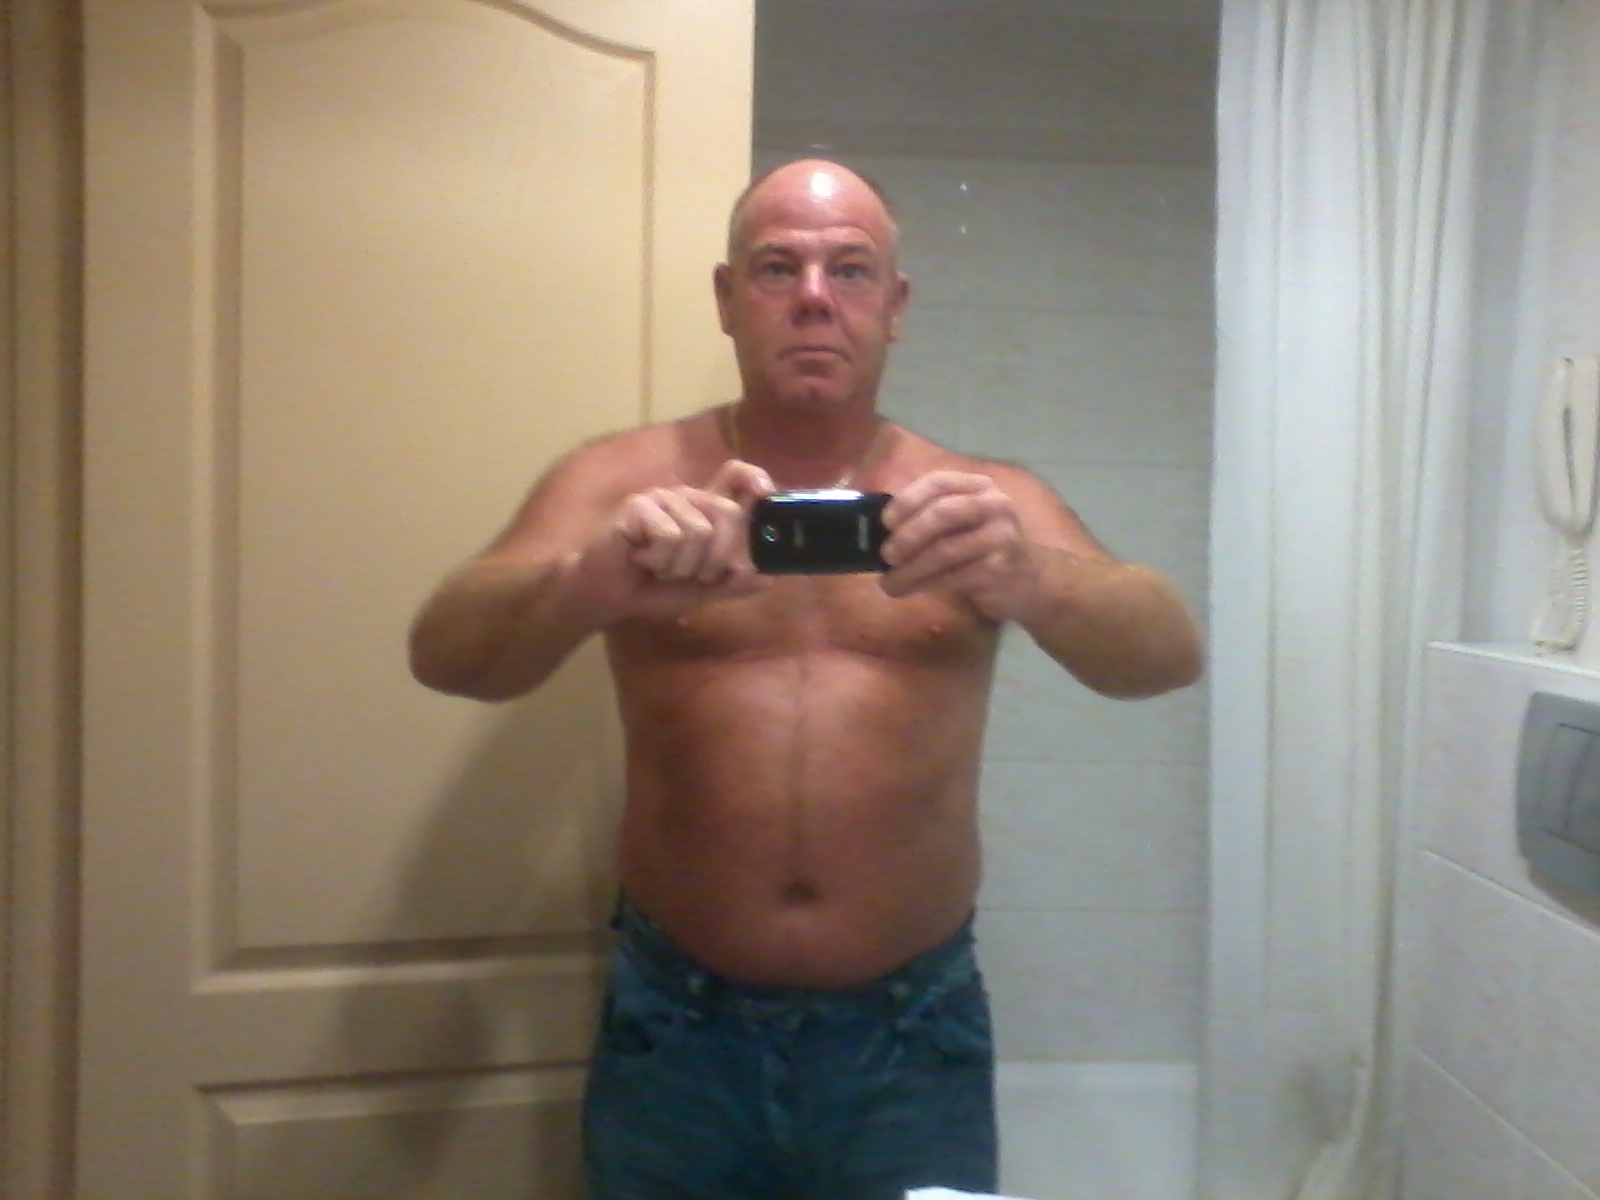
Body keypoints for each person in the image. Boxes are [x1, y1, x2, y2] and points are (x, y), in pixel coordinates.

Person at [408, 159, 1203, 1200]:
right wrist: (587, 581)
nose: (815, 297)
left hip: (912, 1036)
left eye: (851, 269)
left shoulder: (977, 502)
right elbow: (448, 656)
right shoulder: (623, 481)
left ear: (896, 305)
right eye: (778, 267)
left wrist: (1032, 578)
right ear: (727, 297)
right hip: (676, 1029)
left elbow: (1165, 655)